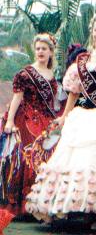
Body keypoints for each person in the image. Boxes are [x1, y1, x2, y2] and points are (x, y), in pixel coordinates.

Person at [25, 14, 96, 231]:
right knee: (76, 162)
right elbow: (73, 92)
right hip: (84, 115)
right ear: (92, 32)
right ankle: (73, 208)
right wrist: (64, 116)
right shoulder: (82, 60)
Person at [0, 34, 61, 217]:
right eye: (38, 49)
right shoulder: (25, 74)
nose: (40, 52)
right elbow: (17, 98)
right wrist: (10, 121)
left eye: (44, 49)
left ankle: (44, 202)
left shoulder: (52, 75)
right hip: (27, 119)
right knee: (30, 155)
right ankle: (26, 204)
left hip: (47, 120)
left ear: (51, 52)